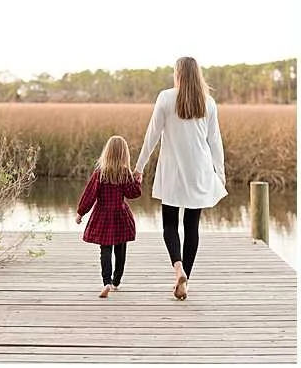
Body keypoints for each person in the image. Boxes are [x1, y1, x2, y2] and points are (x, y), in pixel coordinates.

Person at [136, 56, 226, 300]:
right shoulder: (208, 102)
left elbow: (151, 135)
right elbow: (215, 142)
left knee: (169, 224)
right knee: (192, 226)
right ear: (197, 74)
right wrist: (221, 173)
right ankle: (185, 280)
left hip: (173, 171)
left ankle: (178, 270)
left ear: (178, 74)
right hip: (200, 170)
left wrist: (139, 165)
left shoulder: (166, 97)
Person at [75, 135, 142, 297]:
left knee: (105, 250)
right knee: (120, 250)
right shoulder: (125, 173)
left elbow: (89, 195)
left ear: (107, 152)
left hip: (103, 215)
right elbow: (133, 193)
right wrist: (138, 181)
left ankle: (106, 282)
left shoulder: (100, 173)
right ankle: (116, 281)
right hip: (120, 215)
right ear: (124, 154)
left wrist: (80, 212)